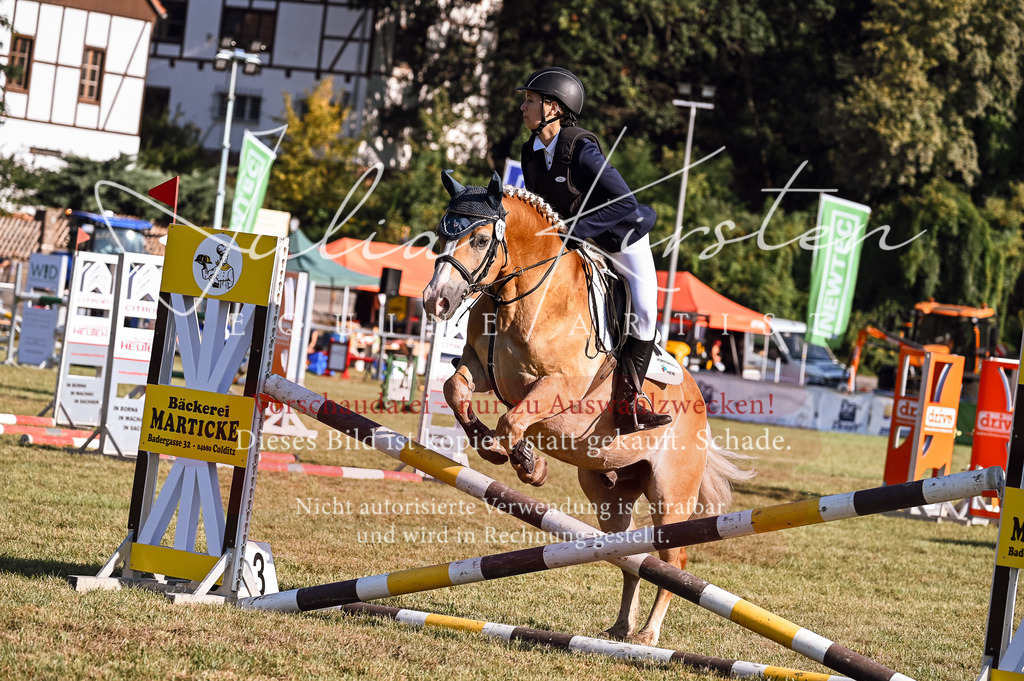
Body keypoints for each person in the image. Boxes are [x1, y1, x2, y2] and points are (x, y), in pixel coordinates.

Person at [516, 66, 671, 434]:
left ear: (552, 108)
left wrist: (575, 231)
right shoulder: (531, 152)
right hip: (578, 242)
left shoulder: (581, 148)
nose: (523, 107)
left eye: (530, 100)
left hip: (621, 238)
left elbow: (625, 202)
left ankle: (629, 405)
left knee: (646, 312)